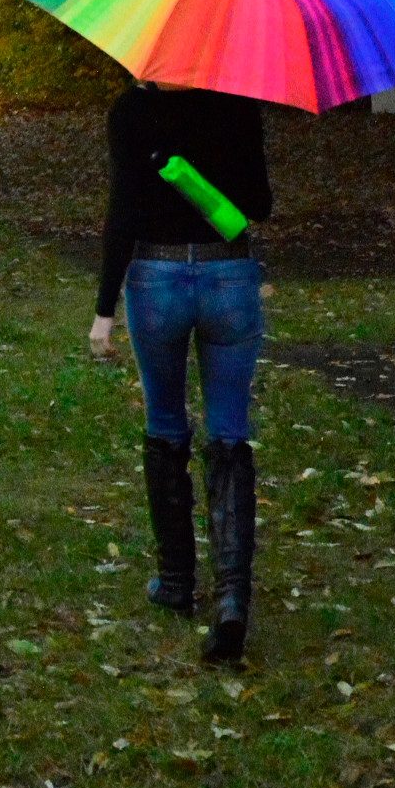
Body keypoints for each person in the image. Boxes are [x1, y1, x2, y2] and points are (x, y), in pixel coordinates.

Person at [89, 78, 272, 664]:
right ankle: (232, 600)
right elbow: (259, 207)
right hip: (230, 279)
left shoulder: (132, 109)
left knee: (166, 423)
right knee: (230, 432)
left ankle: (174, 583)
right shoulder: (240, 100)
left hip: (156, 281)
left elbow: (123, 211)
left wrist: (103, 312)